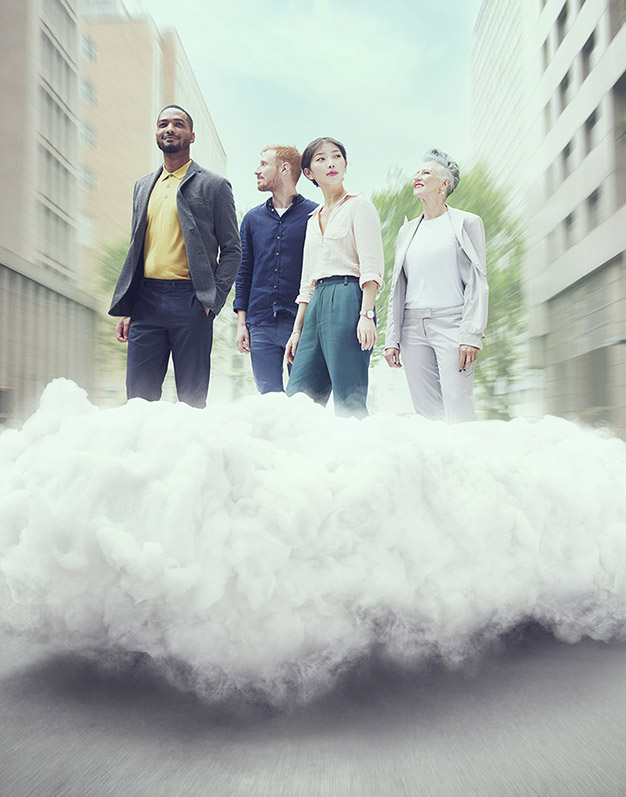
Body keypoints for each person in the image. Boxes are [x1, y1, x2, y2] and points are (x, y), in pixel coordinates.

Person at [109, 104, 241, 408]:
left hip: (191, 301)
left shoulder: (214, 185)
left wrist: (212, 299)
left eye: (178, 124)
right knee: (138, 401)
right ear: (157, 133)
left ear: (191, 136)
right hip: (145, 301)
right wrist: (129, 305)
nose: (169, 129)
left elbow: (233, 250)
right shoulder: (143, 186)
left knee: (191, 402)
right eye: (163, 124)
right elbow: (137, 247)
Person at [384, 148, 488, 422]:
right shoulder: (406, 231)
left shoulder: (467, 223)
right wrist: (391, 339)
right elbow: (397, 287)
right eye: (417, 172)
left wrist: (471, 335)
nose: (417, 176)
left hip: (452, 323)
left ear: (444, 184)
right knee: (426, 413)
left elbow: (477, 283)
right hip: (412, 328)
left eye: (425, 172)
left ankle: (467, 462)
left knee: (457, 404)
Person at [285, 137, 384, 418]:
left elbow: (371, 266)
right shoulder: (311, 218)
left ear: (345, 164)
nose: (330, 163)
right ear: (308, 172)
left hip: (348, 298)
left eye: (336, 156)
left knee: (348, 396)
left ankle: (357, 457)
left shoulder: (359, 205)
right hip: (316, 302)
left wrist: (366, 314)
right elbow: (307, 281)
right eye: (320, 158)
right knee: (298, 398)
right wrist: (297, 331)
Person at [233, 146, 318, 393]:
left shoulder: (315, 215)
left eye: (263, 164)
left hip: (301, 325)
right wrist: (242, 324)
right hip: (260, 325)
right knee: (269, 404)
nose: (256, 170)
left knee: (304, 401)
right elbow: (244, 270)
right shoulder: (251, 219)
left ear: (283, 168)